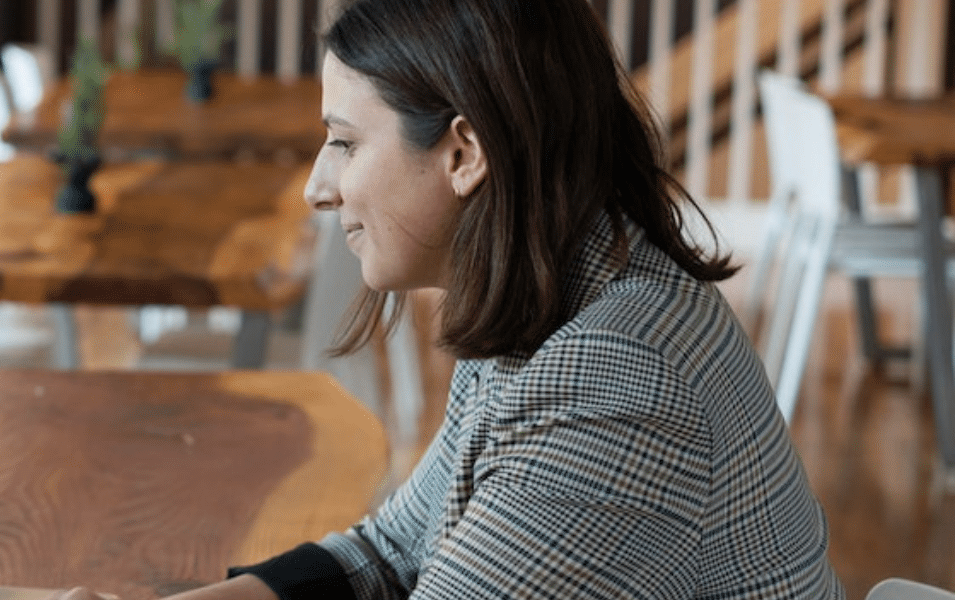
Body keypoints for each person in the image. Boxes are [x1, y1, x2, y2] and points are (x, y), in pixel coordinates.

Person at [64, 0, 841, 598]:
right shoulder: (559, 286)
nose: (318, 186)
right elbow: (391, 551)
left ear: (464, 153)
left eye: (345, 141)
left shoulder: (618, 379)